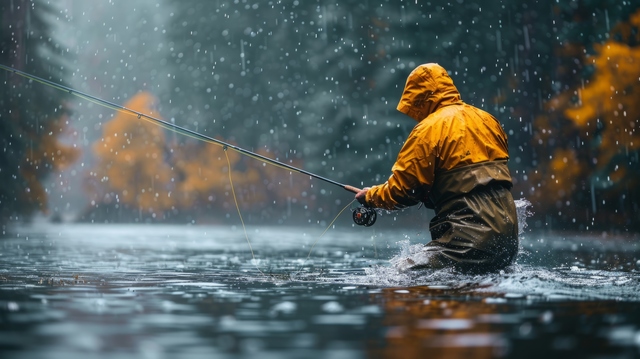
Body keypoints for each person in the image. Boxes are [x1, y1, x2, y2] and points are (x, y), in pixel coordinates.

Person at [355, 63, 519, 273]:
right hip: (508, 244)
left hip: (468, 244)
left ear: (418, 98)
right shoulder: (488, 120)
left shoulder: (428, 130)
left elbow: (403, 190)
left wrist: (371, 197)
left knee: (403, 274)